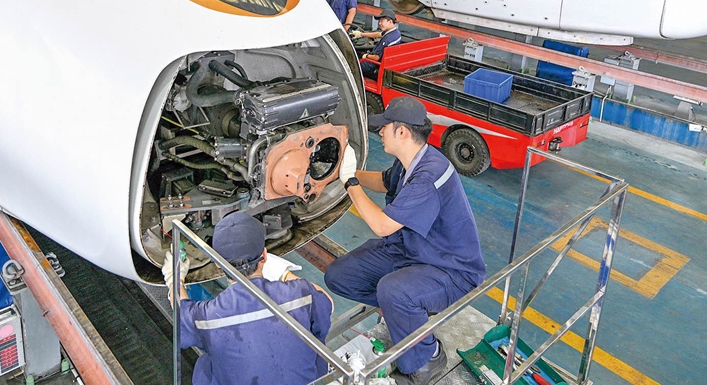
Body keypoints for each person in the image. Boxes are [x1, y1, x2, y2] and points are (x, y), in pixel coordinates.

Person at [329, 97, 485, 385]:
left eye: (384, 127)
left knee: (394, 291)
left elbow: (382, 226)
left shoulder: (428, 175)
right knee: (340, 275)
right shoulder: (411, 160)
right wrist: (339, 174)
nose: (380, 132)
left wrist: (350, 182)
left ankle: (427, 358)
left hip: (451, 270)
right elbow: (384, 181)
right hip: (413, 251)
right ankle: (408, 317)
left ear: (401, 132)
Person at [166, 212, 334, 385]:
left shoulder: (209, 316)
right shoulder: (300, 293)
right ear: (265, 256)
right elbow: (327, 301)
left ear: (218, 264)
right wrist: (284, 274)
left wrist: (174, 278)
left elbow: (182, 312)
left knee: (204, 366)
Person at [354, 7, 402, 79]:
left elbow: (376, 58)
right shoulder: (396, 33)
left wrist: (365, 56)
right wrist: (361, 34)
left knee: (353, 63)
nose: (379, 23)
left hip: (374, 66)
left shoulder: (387, 39)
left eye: (382, 21)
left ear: (390, 22)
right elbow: (379, 34)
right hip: (386, 63)